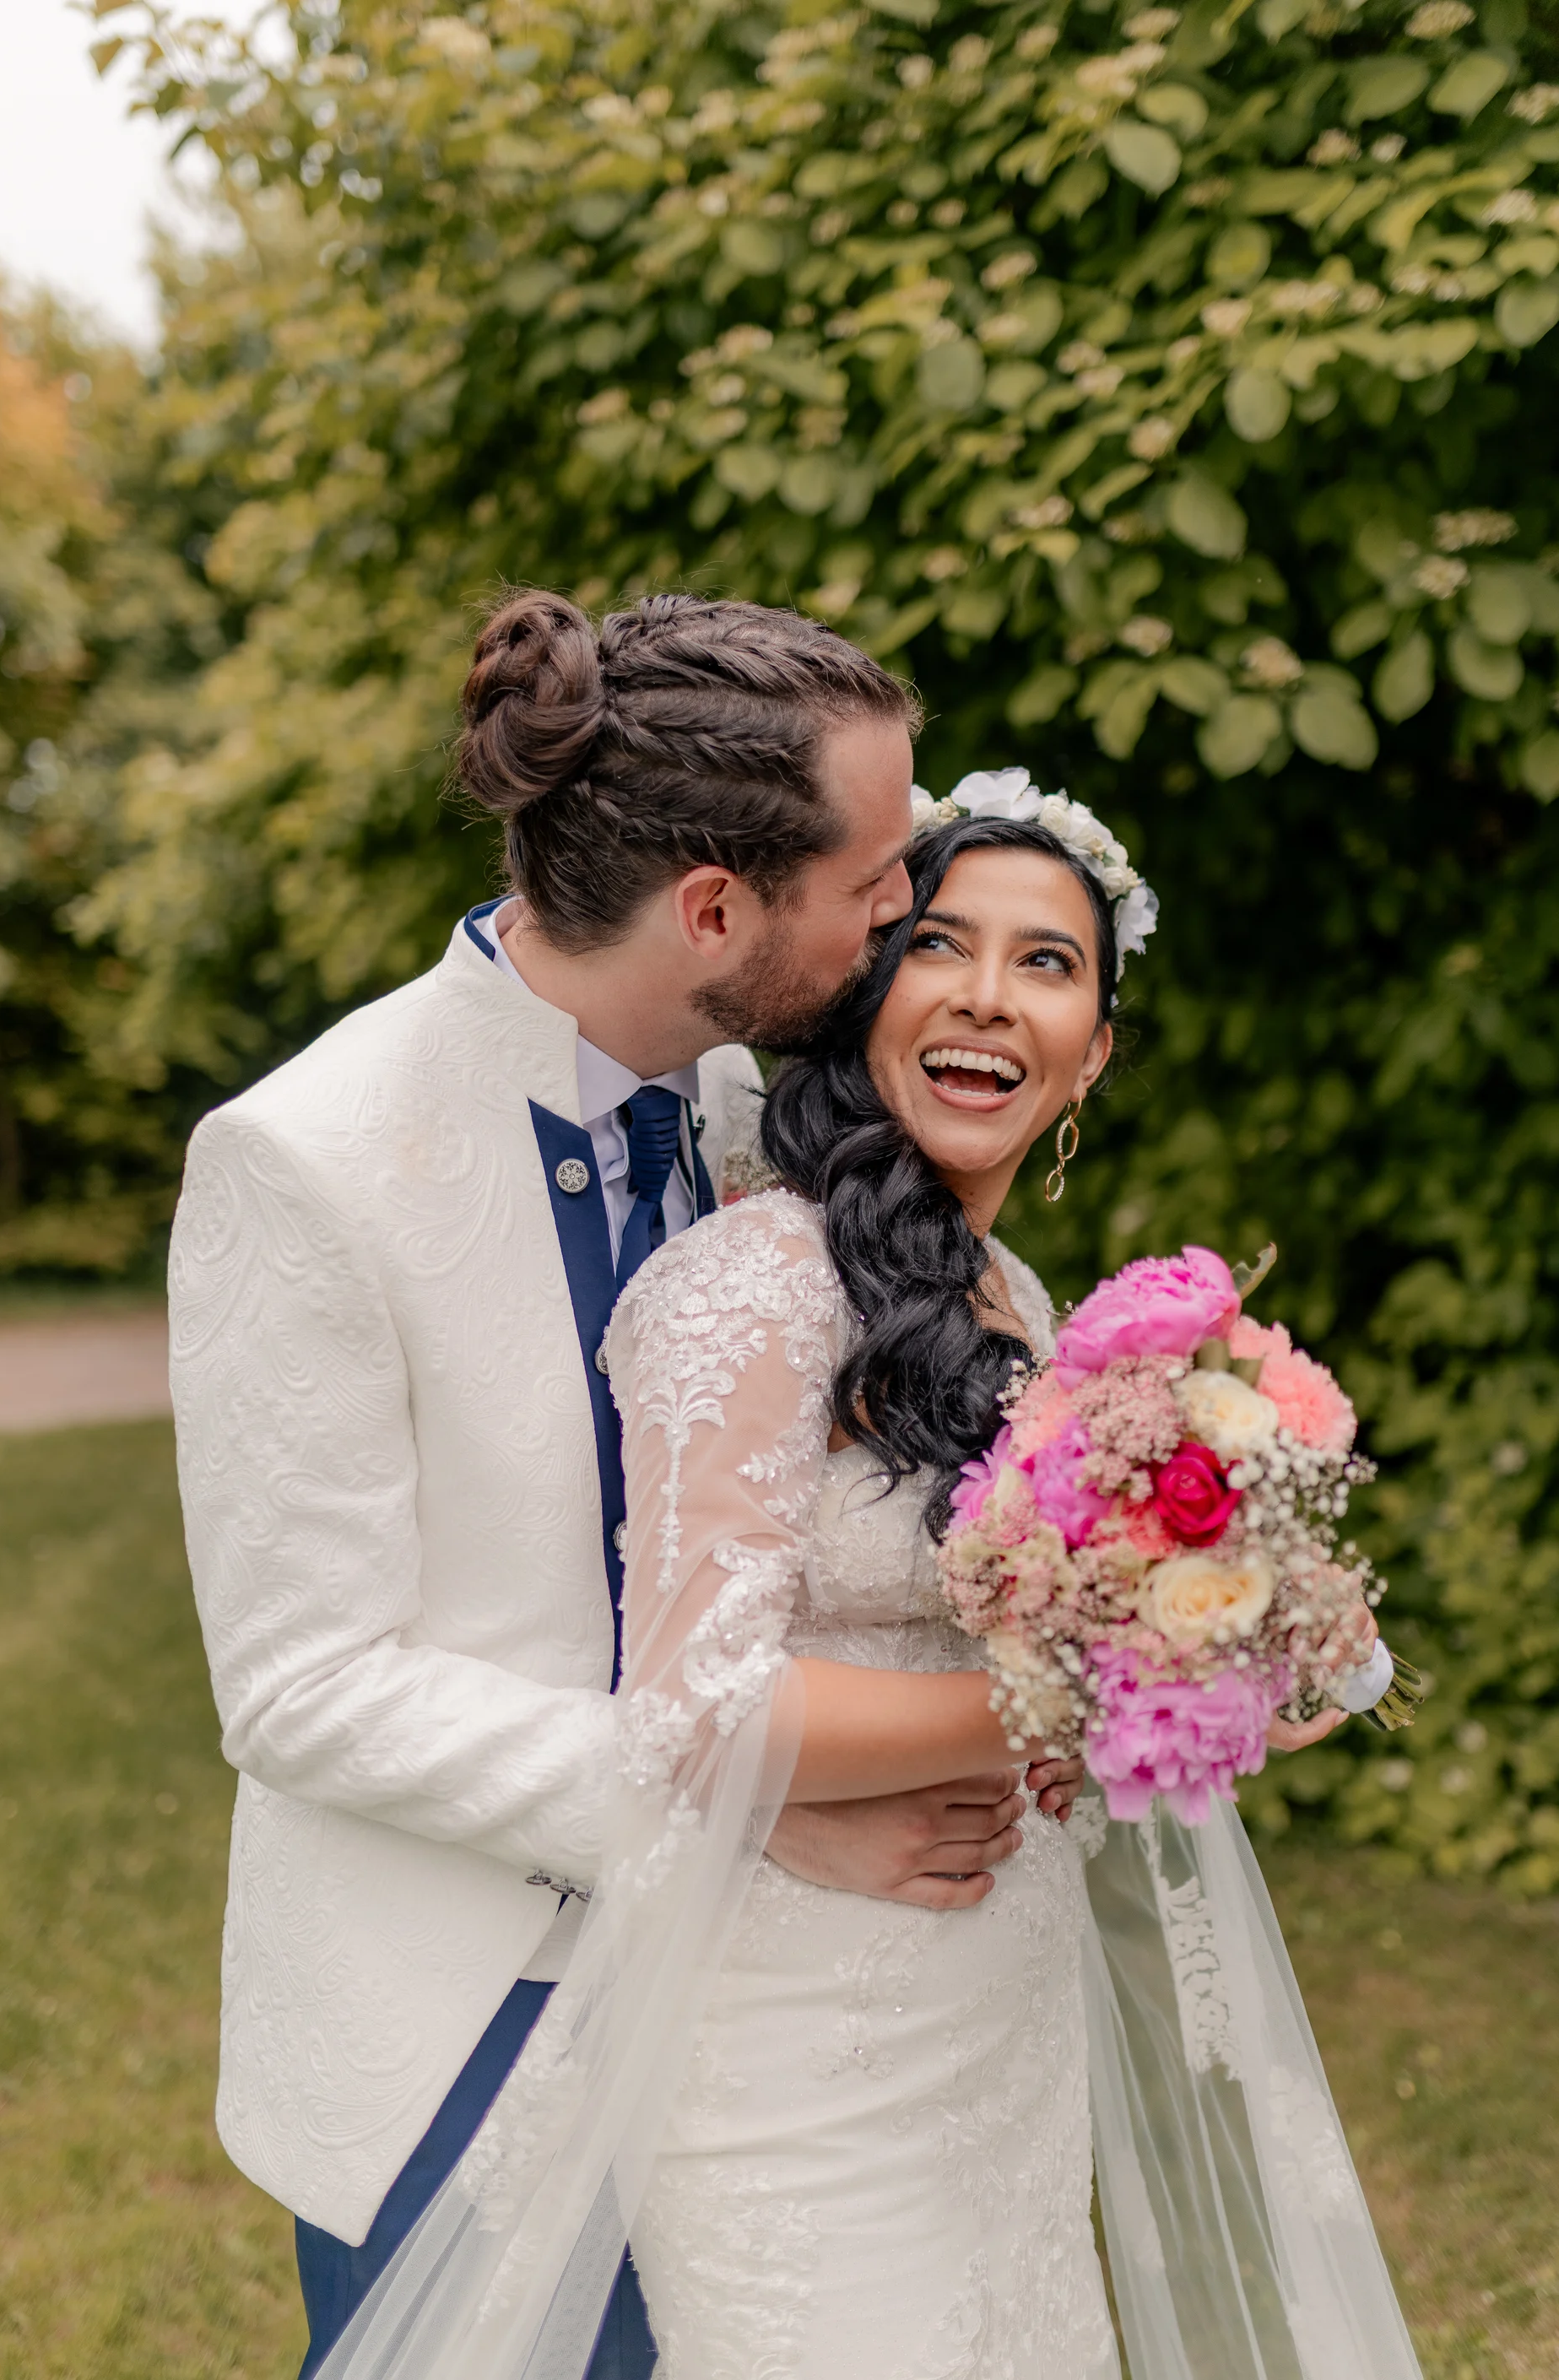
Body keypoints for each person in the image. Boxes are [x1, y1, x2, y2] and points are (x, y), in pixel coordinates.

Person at [314, 782, 1424, 2380]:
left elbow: (1056, 1626)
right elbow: (699, 1705)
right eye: (938, 947)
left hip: (998, 2005)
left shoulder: (1022, 1305)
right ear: (861, 990)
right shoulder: (753, 1288)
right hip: (801, 2046)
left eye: (1047, 964)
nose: (988, 994)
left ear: (1094, 1047)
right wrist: (1071, 1706)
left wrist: (1238, 1626)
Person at [167, 592, 1085, 2380]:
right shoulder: (309, 1159)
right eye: (881, 880)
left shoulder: (755, 1103)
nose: (908, 915)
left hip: (779, 2019)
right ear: (718, 911)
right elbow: (302, 1688)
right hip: (467, 2002)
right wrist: (732, 1801)